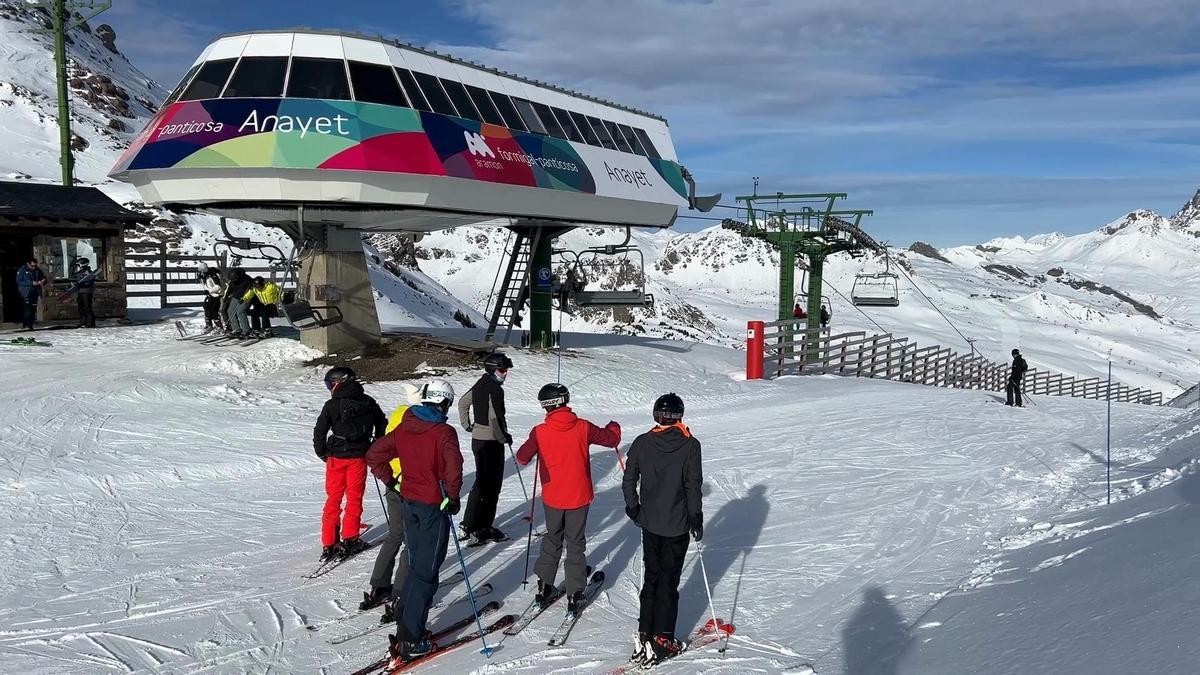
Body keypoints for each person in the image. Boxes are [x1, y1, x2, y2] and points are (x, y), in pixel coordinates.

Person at [369, 379, 463, 663]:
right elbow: (454, 466)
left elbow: (374, 455)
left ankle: (405, 620)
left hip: (409, 503)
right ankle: (411, 638)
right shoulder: (443, 431)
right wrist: (453, 497)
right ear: (443, 402)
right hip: (432, 506)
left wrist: (392, 482)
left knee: (414, 562)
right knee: (426, 570)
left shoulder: (405, 425)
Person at [516, 383, 621, 614]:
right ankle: (575, 594)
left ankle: (544, 587)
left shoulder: (539, 431)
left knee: (553, 538)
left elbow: (522, 458)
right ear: (565, 400)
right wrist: (614, 427)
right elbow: (611, 440)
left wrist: (540, 449)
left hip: (552, 496)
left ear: (545, 406)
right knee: (575, 542)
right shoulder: (582, 426)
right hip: (578, 497)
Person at [622, 393, 703, 666]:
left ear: (657, 415)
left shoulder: (643, 442)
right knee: (667, 580)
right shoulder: (690, 445)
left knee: (653, 577)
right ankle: (662, 638)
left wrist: (633, 507)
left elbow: (629, 479)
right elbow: (693, 486)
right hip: (675, 524)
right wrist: (695, 518)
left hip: (652, 522)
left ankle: (646, 631)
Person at [359, 384, 422, 615]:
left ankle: (379, 585)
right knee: (412, 539)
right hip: (410, 485)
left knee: (396, 534)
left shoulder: (398, 413)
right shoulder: (419, 421)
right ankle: (401, 594)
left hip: (393, 482)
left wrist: (388, 478)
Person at [313, 367, 387, 560]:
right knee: (354, 498)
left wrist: (322, 453)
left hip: (336, 457)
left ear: (339, 382)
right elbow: (382, 421)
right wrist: (376, 443)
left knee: (333, 499)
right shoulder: (367, 401)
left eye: (329, 384)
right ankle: (350, 538)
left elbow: (320, 431)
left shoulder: (332, 404)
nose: (329, 388)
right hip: (359, 457)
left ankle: (329, 542)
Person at [456, 352, 515, 545]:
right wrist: (503, 437)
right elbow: (494, 418)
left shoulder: (481, 383)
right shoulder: (495, 389)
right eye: (502, 370)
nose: (505, 374)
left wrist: (468, 425)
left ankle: (468, 524)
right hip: (491, 442)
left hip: (478, 440)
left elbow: (463, 402)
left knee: (481, 483)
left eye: (506, 370)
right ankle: (483, 529)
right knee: (492, 487)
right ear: (492, 369)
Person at [15, 257, 46, 331]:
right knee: (27, 309)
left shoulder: (38, 270)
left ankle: (30, 324)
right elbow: (19, 281)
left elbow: (43, 278)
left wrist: (43, 281)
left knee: (33, 309)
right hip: (25, 292)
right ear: (28, 264)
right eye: (32, 266)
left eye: (35, 265)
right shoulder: (22, 270)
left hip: (35, 292)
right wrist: (31, 283)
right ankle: (26, 324)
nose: (34, 267)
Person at [224, 268, 253, 338]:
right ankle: (236, 330)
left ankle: (246, 330)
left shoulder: (247, 279)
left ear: (237, 276)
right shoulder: (233, 281)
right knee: (230, 311)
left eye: (234, 279)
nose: (234, 281)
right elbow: (229, 288)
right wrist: (226, 297)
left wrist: (244, 298)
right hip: (236, 297)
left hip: (246, 298)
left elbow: (250, 290)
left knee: (240, 311)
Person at [70, 259, 97, 328]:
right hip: (80, 291)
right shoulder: (79, 272)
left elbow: (90, 281)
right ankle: (83, 322)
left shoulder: (88, 271)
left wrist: (81, 283)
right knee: (80, 307)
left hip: (87, 292)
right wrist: (73, 269)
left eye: (79, 264)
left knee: (87, 307)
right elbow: (73, 277)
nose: (78, 266)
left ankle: (90, 323)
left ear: (83, 264)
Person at [198, 263, 224, 333]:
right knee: (206, 306)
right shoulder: (206, 276)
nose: (201, 273)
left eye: (201, 272)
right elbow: (206, 285)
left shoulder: (213, 275)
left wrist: (209, 291)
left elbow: (218, 287)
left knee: (214, 310)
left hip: (217, 295)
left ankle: (218, 326)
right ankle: (209, 324)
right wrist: (202, 278)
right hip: (211, 295)